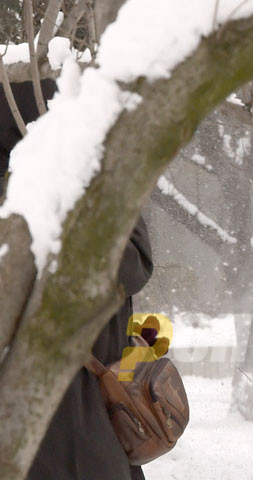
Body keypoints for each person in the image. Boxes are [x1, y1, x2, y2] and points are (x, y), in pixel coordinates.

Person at [0, 80, 154, 480]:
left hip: (79, 424)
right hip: (78, 432)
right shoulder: (101, 189)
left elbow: (131, 264)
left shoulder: (92, 190)